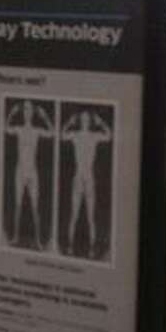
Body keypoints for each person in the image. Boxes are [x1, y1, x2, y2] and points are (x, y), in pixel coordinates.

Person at [61, 110, 112, 258]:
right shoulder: (76, 135)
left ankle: (91, 248)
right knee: (74, 214)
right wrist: (69, 123)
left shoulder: (94, 136)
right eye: (82, 118)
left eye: (87, 119)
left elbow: (109, 136)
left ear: (90, 121)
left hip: (89, 177)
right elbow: (63, 136)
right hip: (78, 176)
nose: (84, 121)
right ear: (80, 121)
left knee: (90, 215)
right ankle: (70, 246)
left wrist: (100, 121)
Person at [4, 99, 54, 248]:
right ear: (23, 112)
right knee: (18, 205)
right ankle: (15, 237)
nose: (27, 112)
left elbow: (51, 133)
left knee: (35, 206)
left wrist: (45, 117)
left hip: (32, 171)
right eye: (25, 109)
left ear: (33, 112)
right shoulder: (19, 129)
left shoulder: (36, 130)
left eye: (29, 109)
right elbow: (7, 129)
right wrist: (11, 114)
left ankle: (39, 241)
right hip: (20, 170)